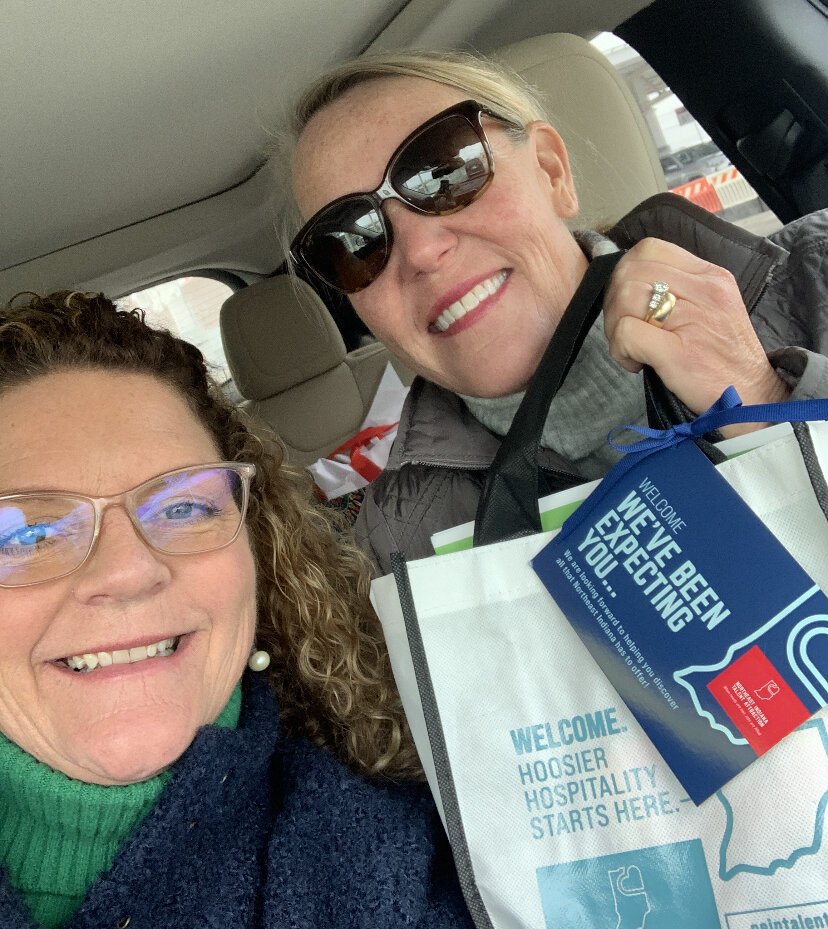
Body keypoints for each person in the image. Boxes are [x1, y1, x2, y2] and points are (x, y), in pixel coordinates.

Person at [0, 291, 472, 928]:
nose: (129, 572)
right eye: (26, 534)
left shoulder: (411, 862)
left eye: (184, 507)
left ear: (257, 543)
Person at [281, 48, 828, 574]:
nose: (421, 254)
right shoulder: (393, 546)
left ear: (551, 171)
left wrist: (760, 400)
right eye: (350, 243)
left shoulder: (818, 275)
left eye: (445, 172)